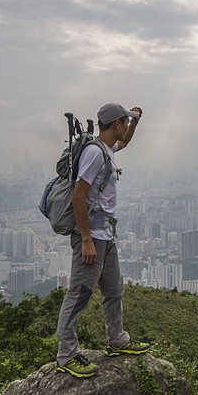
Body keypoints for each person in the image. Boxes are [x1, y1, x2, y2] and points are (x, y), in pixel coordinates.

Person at [55, 102, 150, 378]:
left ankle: (117, 339)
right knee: (79, 295)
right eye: (125, 122)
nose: (126, 127)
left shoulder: (108, 149)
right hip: (93, 238)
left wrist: (136, 121)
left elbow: (127, 142)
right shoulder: (95, 154)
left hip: (107, 237)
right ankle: (67, 354)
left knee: (114, 290)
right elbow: (78, 196)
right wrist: (85, 239)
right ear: (116, 124)